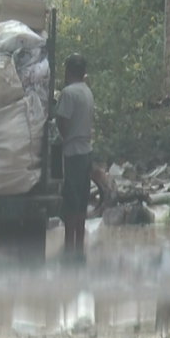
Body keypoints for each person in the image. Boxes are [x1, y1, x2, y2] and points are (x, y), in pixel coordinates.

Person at [55, 53, 94, 262]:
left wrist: (58, 137)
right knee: (81, 204)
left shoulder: (69, 93)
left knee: (70, 204)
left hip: (73, 155)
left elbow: (64, 125)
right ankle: (79, 248)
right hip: (87, 152)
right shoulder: (87, 92)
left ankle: (69, 249)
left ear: (68, 71)